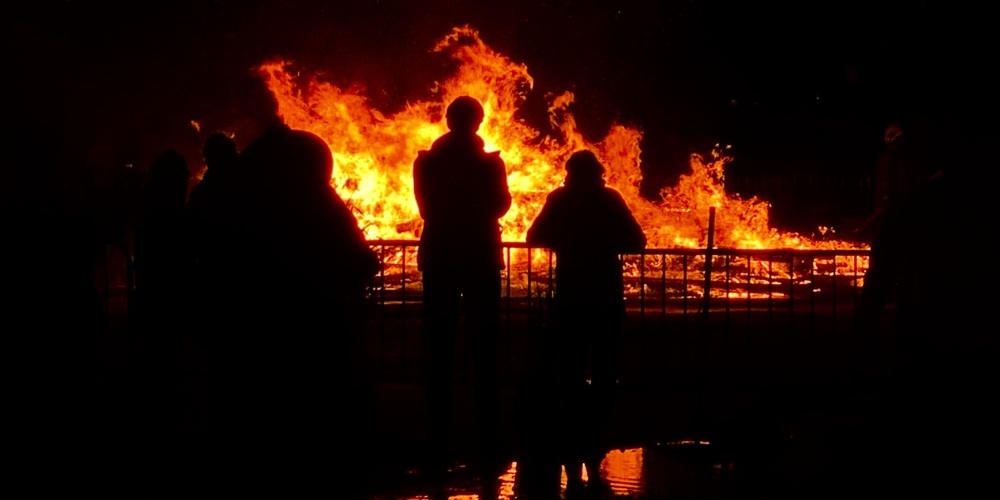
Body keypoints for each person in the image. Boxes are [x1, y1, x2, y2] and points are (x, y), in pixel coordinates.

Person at [526, 149, 646, 495]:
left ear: (569, 173)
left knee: (571, 367)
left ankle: (574, 427)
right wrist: (605, 243)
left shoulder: (560, 199)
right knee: (606, 366)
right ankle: (597, 428)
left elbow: (535, 236)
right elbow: (637, 241)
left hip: (570, 294)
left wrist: (565, 241)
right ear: (599, 173)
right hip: (606, 294)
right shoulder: (609, 199)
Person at [412, 95, 512, 497]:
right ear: (478, 122)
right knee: (484, 342)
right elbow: (501, 205)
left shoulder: (426, 162)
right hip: (480, 255)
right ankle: (487, 434)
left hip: (439, 254)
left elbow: (424, 208)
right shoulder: (490, 163)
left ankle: (436, 433)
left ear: (448, 120)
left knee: (439, 342)